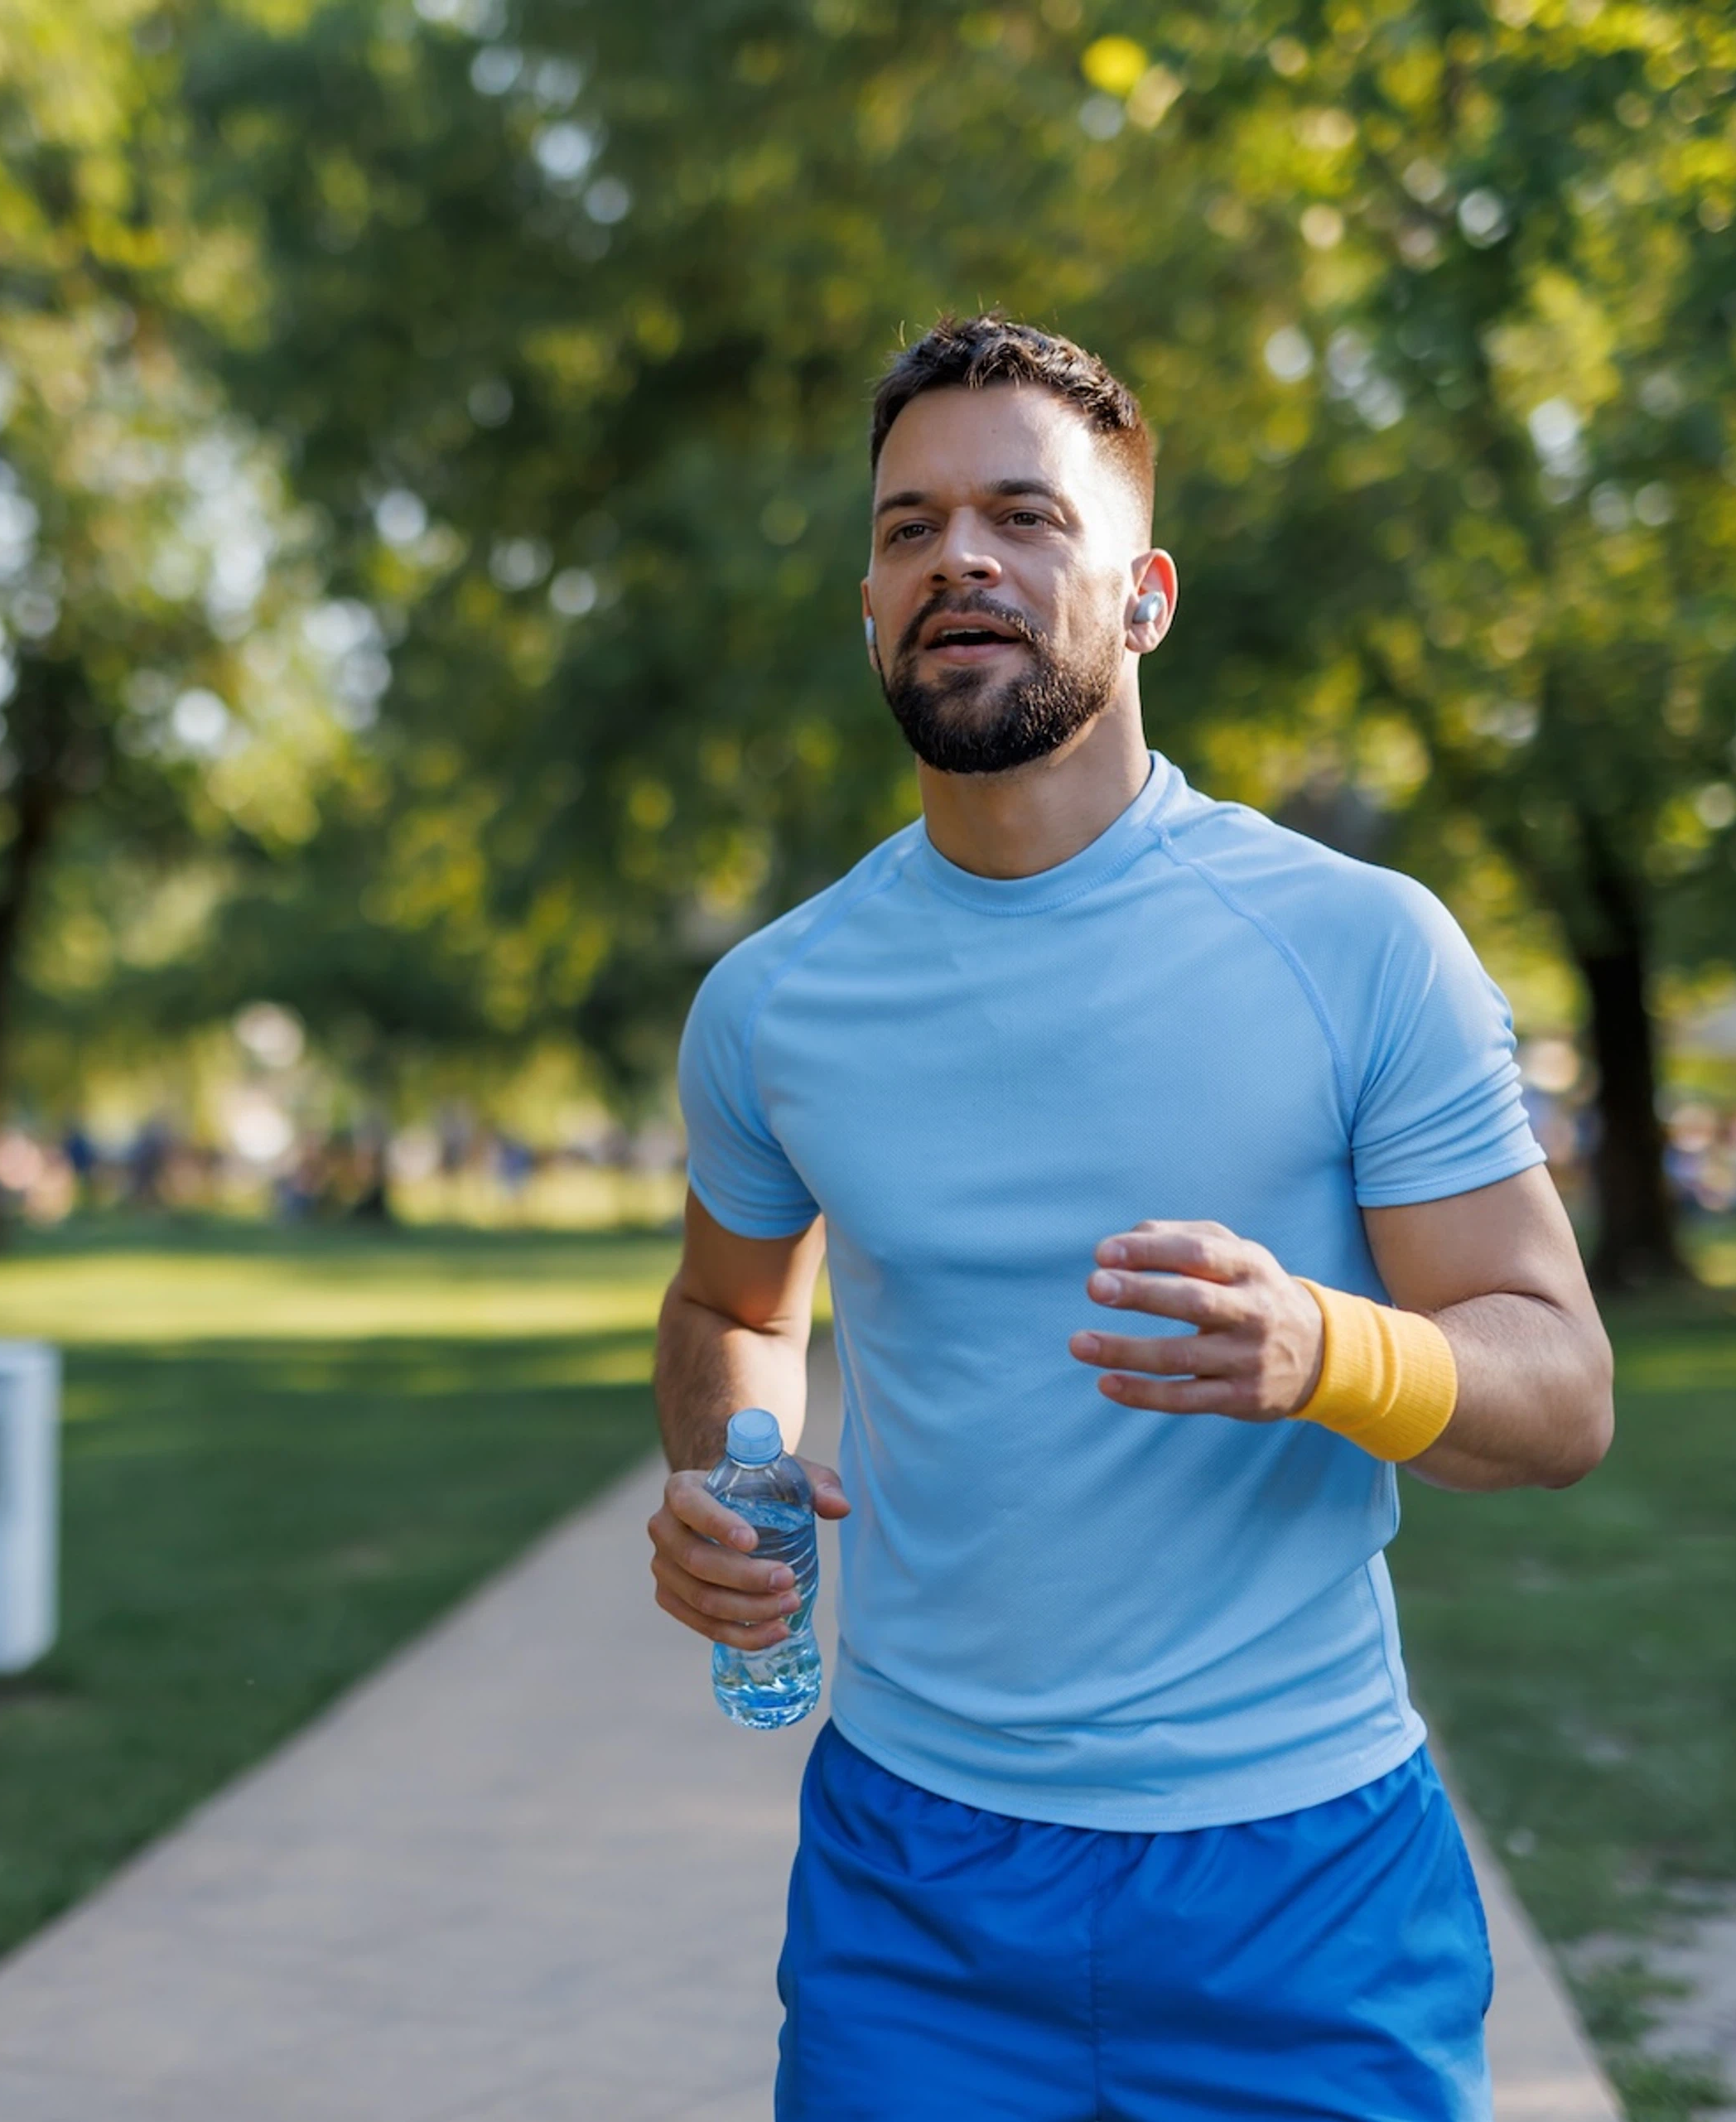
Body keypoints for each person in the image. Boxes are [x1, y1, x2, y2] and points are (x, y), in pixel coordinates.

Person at [645, 316, 1614, 2121]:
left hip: (1303, 1885)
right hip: (909, 1892)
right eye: (909, 525)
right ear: (867, 600)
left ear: (1146, 595)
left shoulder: (1358, 945)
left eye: (1026, 514)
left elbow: (1560, 1394)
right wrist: (737, 1471)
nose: (962, 560)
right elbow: (728, 1310)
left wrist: (1333, 1347)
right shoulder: (777, 1005)